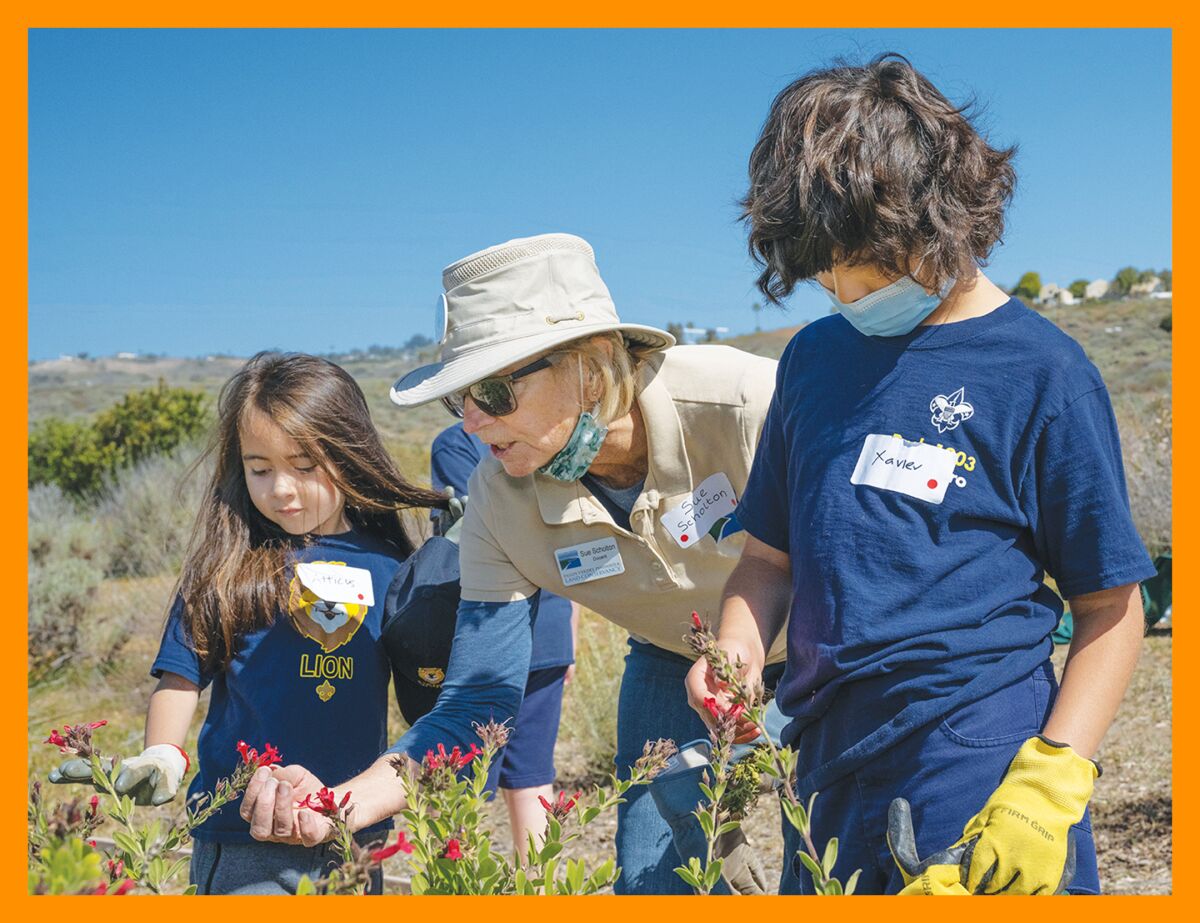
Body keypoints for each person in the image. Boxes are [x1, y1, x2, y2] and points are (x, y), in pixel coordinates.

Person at [685, 54, 1157, 895]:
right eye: (818, 267)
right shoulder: (812, 362)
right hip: (823, 764)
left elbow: (1110, 607)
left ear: (934, 219)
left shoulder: (1043, 372)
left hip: (975, 758)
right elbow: (768, 558)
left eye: (855, 260)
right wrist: (737, 648)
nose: (837, 286)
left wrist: (1048, 787)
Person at [240, 233, 786, 894]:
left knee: (844, 851)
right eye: (457, 399)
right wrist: (337, 808)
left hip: (830, 636)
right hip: (674, 657)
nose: (471, 423)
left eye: (494, 391)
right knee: (655, 880)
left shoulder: (753, 405)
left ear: (589, 366)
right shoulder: (499, 503)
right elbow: (474, 702)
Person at [51, 352, 452, 894]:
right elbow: (180, 677)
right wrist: (164, 754)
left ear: (350, 454)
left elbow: (427, 695)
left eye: (305, 466)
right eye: (259, 468)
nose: (280, 489)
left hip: (350, 831)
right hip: (242, 836)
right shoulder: (227, 566)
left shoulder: (393, 566)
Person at [430, 422, 580, 852]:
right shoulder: (552, 432)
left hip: (484, 628)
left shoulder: (455, 443)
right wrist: (568, 629)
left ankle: (455, 888)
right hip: (550, 619)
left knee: (461, 776)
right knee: (532, 774)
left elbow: (470, 526)